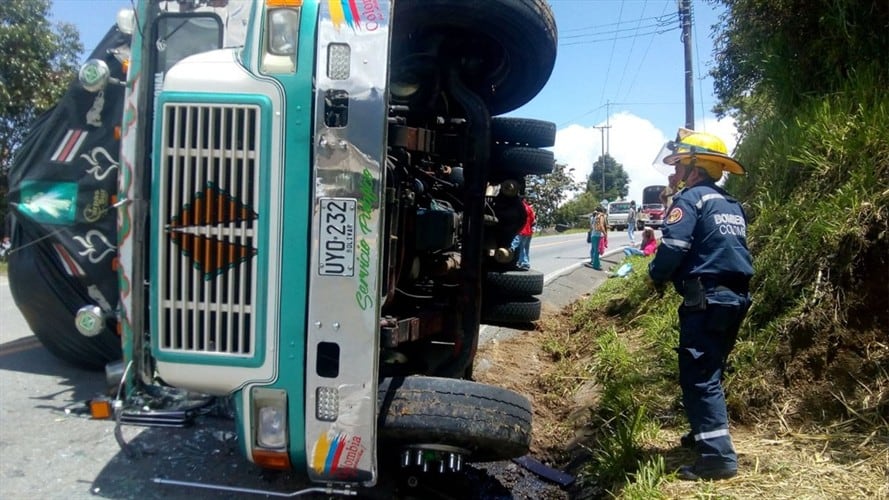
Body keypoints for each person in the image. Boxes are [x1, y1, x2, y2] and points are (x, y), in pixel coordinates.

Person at [648, 129, 753, 481]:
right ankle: (703, 435)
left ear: (696, 167)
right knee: (712, 370)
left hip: (705, 297)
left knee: (699, 376)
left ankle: (717, 459)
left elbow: (674, 248)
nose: (674, 174)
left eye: (679, 166)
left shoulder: (691, 199)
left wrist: (657, 275)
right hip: (735, 297)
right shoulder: (730, 204)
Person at [510, 198, 536, 270]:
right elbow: (533, 221)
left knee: (515, 245)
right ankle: (522, 262)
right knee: (525, 248)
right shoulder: (529, 209)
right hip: (528, 231)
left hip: (521, 230)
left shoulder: (519, 207)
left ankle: (524, 263)